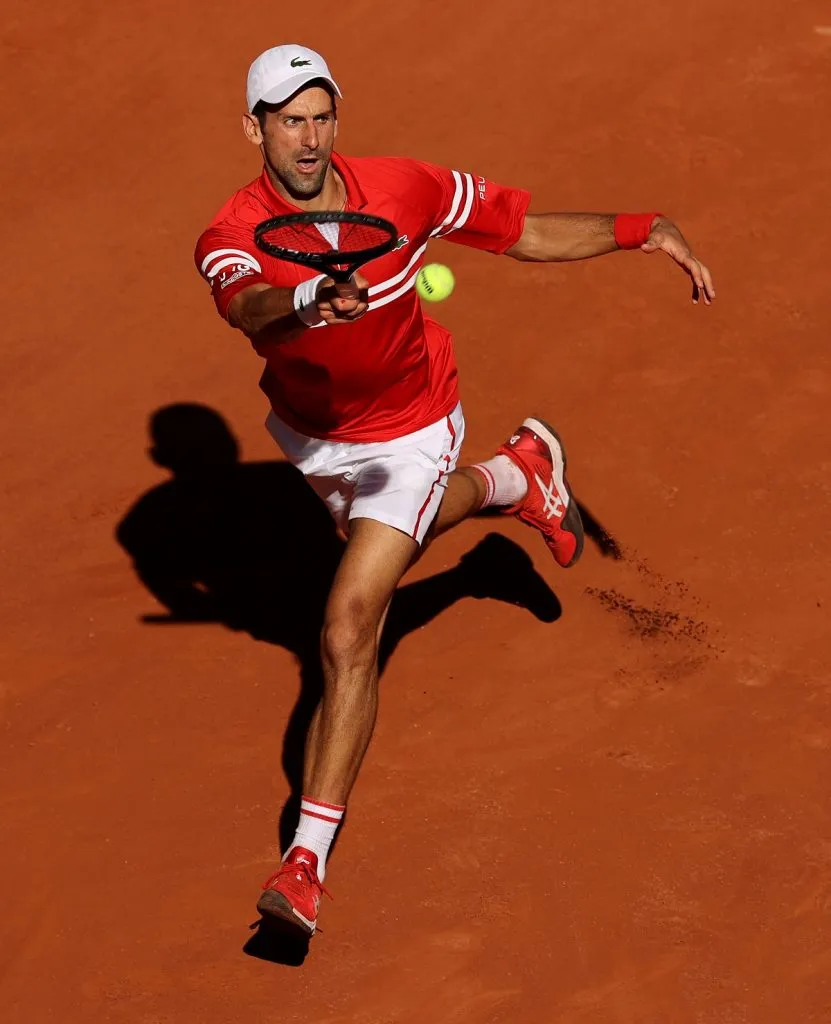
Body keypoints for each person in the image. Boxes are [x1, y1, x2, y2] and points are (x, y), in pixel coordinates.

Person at [194, 43, 715, 938]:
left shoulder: (403, 189)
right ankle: (517, 475)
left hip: (412, 423)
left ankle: (305, 865)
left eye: (321, 117)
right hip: (317, 439)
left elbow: (520, 230)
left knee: (350, 619)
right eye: (289, 121)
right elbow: (246, 306)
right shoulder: (228, 233)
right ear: (254, 128)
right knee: (396, 539)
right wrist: (312, 299)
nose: (309, 138)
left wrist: (641, 227)